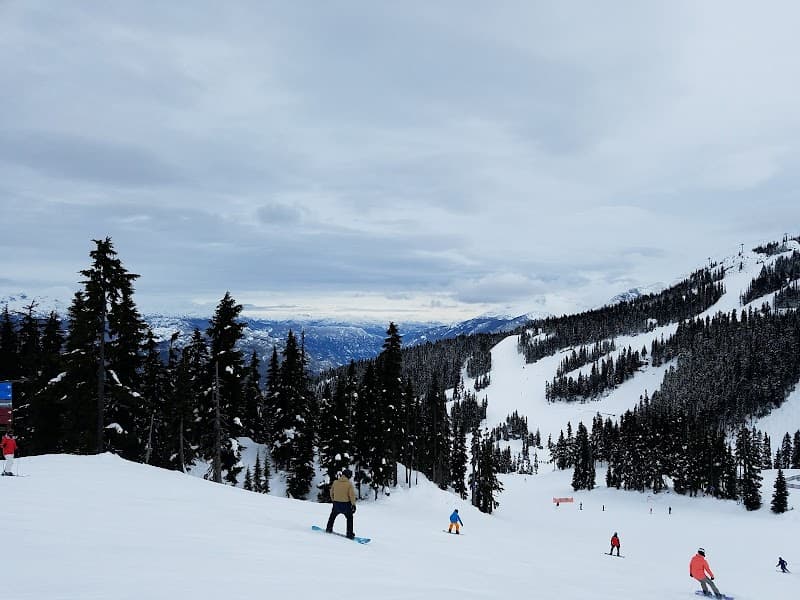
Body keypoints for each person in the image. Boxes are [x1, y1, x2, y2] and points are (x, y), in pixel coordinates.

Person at [326, 468, 357, 539]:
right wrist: (353, 505)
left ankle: (329, 528)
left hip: (336, 504)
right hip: (346, 505)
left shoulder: (335, 482)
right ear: (348, 476)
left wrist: (334, 500)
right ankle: (349, 534)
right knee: (349, 518)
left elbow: (331, 492)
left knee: (332, 516)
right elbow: (352, 495)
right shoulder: (349, 484)